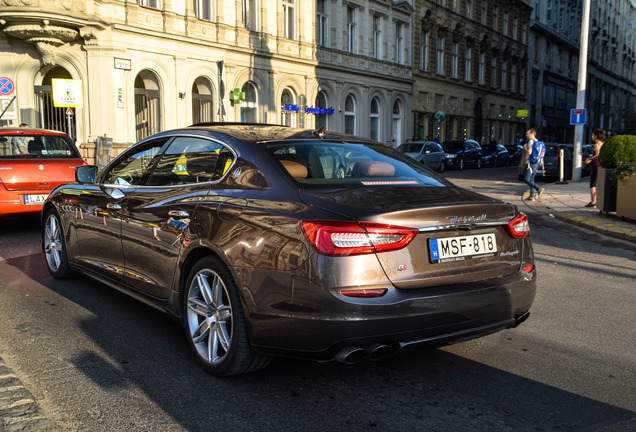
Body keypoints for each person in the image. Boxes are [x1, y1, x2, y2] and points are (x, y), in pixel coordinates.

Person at [584, 128, 607, 208]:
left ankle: (593, 202)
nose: (592, 137)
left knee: (593, 183)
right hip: (602, 165)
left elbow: (598, 155)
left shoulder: (597, 144)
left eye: (593, 135)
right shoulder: (603, 144)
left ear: (596, 136)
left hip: (597, 166)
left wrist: (589, 159)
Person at [523, 128, 545, 201]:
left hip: (531, 162)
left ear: (532, 134)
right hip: (536, 162)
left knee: (526, 179)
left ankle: (538, 188)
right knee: (531, 179)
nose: (526, 135)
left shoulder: (531, 142)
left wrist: (525, 147)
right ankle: (532, 196)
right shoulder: (538, 142)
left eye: (528, 134)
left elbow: (529, 152)